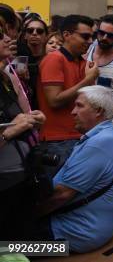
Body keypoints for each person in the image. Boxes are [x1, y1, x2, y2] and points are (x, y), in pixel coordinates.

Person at [36, 86, 113, 253]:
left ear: (98, 111)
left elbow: (60, 196)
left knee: (6, 249)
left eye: (79, 106)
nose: (73, 112)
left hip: (71, 236)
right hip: (81, 229)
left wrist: (22, 216)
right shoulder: (105, 135)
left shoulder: (99, 143)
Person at [0, 22, 46, 240]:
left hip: (19, 175)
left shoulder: (6, 77)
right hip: (4, 181)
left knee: (22, 242)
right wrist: (11, 131)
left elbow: (17, 118)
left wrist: (32, 119)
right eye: (1, 36)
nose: (9, 39)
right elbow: (11, 127)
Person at [37, 15, 98, 176]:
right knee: (58, 196)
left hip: (79, 137)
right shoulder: (54, 59)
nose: (90, 41)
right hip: (57, 140)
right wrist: (88, 80)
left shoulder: (83, 62)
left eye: (92, 36)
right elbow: (54, 101)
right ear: (66, 35)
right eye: (85, 36)